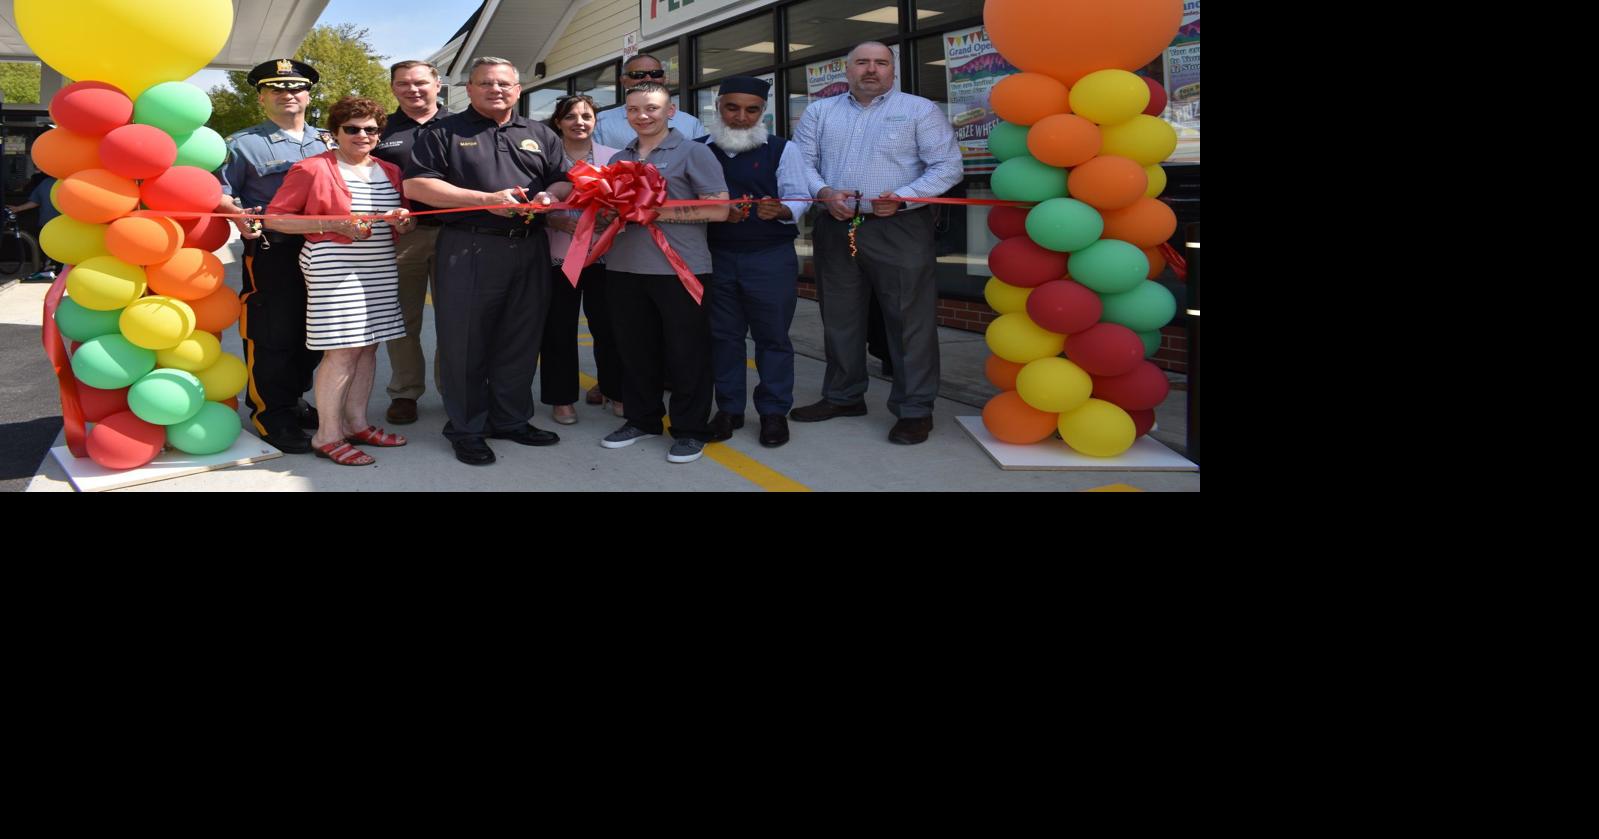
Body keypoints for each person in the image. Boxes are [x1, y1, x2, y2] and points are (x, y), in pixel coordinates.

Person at [403, 57, 573, 466]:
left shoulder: (539, 133)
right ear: (470, 88)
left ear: (518, 90)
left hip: (530, 245)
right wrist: (486, 201)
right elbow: (417, 185)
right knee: (465, 342)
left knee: (520, 339)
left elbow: (562, 177)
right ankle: (466, 428)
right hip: (469, 246)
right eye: (485, 83)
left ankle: (511, 419)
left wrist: (552, 196)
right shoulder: (442, 132)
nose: (496, 90)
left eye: (504, 84)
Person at [791, 41, 962, 445]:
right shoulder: (820, 111)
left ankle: (914, 409)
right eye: (862, 63)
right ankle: (844, 395)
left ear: (893, 70)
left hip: (899, 226)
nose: (872, 70)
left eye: (881, 63)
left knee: (908, 320)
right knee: (839, 316)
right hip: (836, 223)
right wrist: (825, 192)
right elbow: (802, 162)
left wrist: (905, 195)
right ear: (846, 70)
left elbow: (948, 165)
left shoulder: (919, 110)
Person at [266, 96, 416, 465]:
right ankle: (327, 435)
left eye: (370, 129)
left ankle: (356, 423)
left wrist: (402, 220)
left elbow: (401, 222)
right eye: (351, 128)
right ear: (334, 133)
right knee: (343, 350)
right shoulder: (312, 168)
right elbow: (274, 219)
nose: (361, 135)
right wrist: (333, 223)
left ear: (380, 135)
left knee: (368, 346)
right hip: (334, 266)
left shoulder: (389, 170)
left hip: (379, 265)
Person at [597, 82, 730, 464]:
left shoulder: (693, 153)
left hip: (680, 269)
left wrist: (656, 213)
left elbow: (718, 209)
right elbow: (610, 211)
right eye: (635, 109)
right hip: (623, 267)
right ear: (626, 115)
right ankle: (642, 420)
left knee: (687, 353)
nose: (643, 115)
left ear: (670, 111)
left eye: (651, 108)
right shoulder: (618, 159)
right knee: (635, 351)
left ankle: (690, 429)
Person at [213, 58, 336, 453]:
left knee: (314, 334)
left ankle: (294, 399)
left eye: (296, 88)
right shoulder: (241, 143)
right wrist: (234, 214)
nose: (288, 95)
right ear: (262, 96)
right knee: (273, 332)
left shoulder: (329, 141)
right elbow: (218, 191)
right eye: (277, 89)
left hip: (327, 248)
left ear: (308, 94)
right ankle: (271, 414)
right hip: (274, 250)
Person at [695, 76, 808, 448]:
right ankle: (729, 409)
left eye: (751, 110)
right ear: (718, 105)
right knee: (722, 337)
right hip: (714, 257)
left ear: (763, 112)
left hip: (769, 258)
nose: (741, 117)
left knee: (772, 338)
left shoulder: (782, 149)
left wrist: (783, 210)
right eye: (732, 108)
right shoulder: (696, 150)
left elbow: (799, 197)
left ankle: (774, 413)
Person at [371, 60, 446, 427]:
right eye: (403, 84)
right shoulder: (380, 130)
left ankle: (454, 389)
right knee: (403, 320)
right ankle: (405, 392)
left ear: (438, 83)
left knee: (455, 319)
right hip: (403, 236)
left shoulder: (461, 125)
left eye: (420, 82)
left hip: (457, 234)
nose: (413, 89)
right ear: (393, 88)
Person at [541, 94, 624, 426]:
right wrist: (551, 219)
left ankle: (616, 390)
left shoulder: (613, 157)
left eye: (587, 116)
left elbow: (627, 200)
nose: (579, 122)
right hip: (558, 257)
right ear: (558, 122)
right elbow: (534, 203)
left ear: (595, 121)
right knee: (558, 329)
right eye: (571, 116)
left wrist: (613, 217)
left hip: (604, 255)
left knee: (610, 327)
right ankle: (561, 399)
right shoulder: (545, 159)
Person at [591, 54, 707, 149]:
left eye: (655, 74)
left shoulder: (690, 124)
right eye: (638, 75)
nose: (648, 79)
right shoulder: (602, 122)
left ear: (664, 78)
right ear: (623, 81)